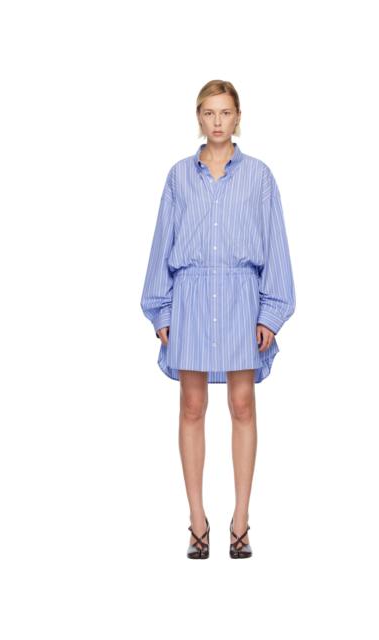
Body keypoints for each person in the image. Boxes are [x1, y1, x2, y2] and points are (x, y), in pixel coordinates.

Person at [140, 79, 296, 559]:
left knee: (242, 404)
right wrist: (161, 309)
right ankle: (197, 521)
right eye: (209, 113)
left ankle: (241, 521)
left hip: (241, 298)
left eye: (225, 112)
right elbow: (162, 244)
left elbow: (276, 246)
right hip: (189, 297)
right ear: (199, 118)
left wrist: (271, 312)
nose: (217, 122)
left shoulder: (260, 177)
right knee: (191, 405)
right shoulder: (178, 177)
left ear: (238, 117)